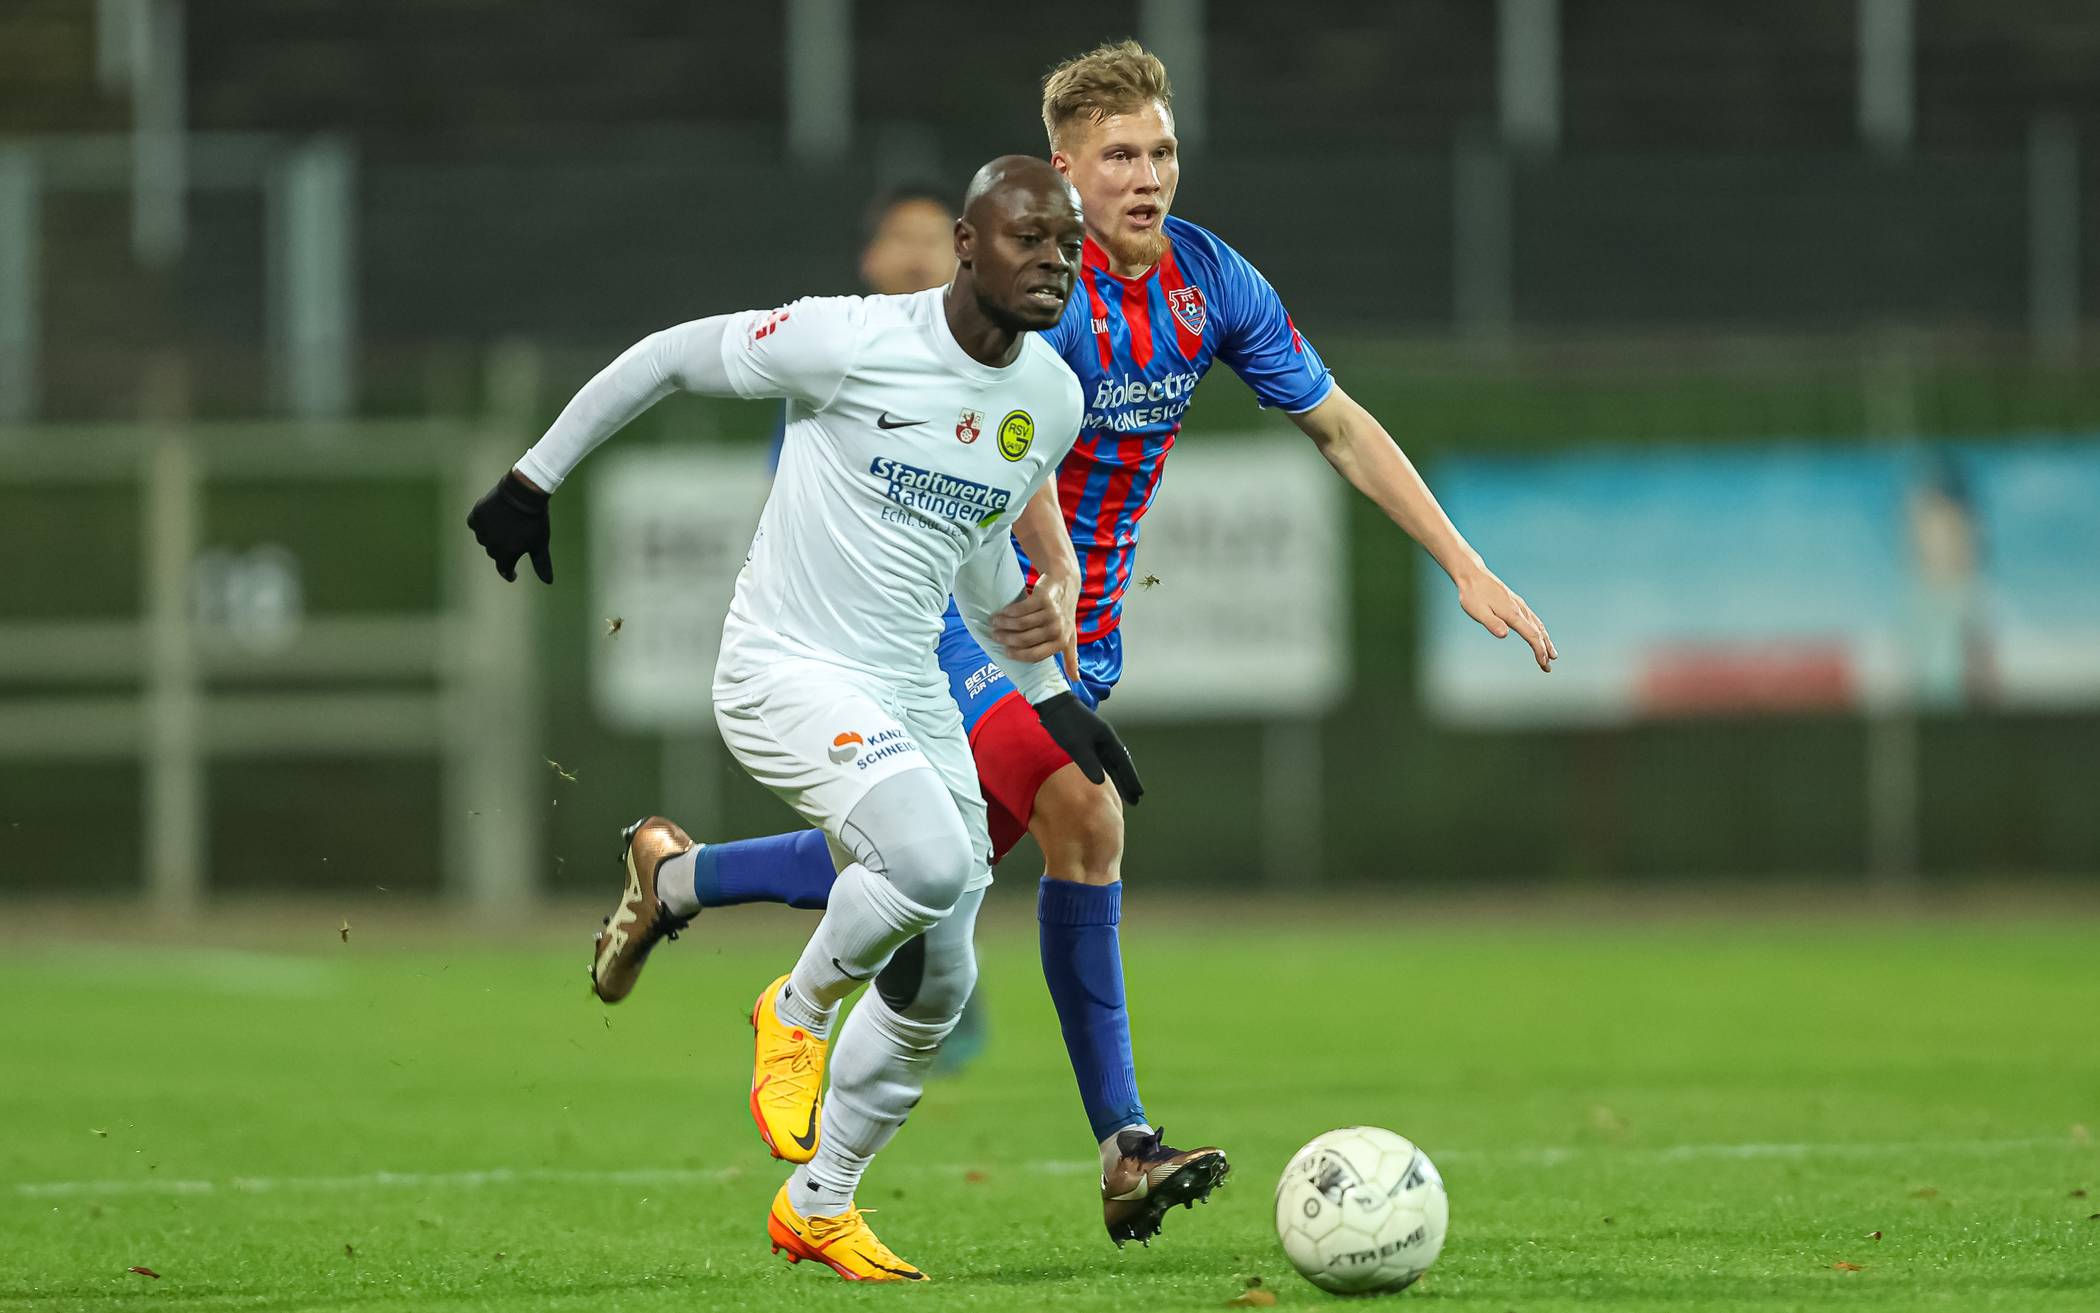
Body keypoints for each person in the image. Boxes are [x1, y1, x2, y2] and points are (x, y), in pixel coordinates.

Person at [510, 40, 1558, 1252]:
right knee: (1080, 817)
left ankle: (694, 910)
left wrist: (1462, 561)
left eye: (1161, 152)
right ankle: (1120, 1143)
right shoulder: (1035, 292)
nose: (1147, 177)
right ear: (1063, 169)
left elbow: (1338, 425)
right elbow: (992, 434)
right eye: (1120, 157)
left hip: (1077, 642)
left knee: (929, 894)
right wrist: (1045, 569)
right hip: (969, 619)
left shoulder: (1210, 280)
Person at [467, 157, 1140, 1280]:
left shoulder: (1050, 396)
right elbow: (669, 356)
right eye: (1029, 238)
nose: (1054, 262)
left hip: (910, 687)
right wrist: (534, 478)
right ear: (968, 244)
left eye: (1068, 246)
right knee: (928, 859)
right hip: (786, 669)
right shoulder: (850, 338)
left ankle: (819, 1201)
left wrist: (1050, 697)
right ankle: (796, 1006)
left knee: (940, 982)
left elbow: (977, 552)